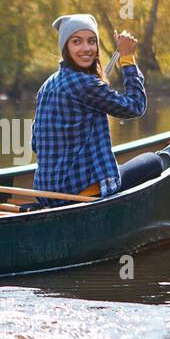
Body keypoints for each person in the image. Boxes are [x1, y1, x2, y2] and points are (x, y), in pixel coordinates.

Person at [30, 14, 155, 206]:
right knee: (154, 162)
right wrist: (128, 59)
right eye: (77, 42)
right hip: (80, 192)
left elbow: (36, 144)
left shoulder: (47, 85)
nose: (86, 48)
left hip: (47, 193)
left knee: (121, 166)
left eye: (91, 41)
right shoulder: (85, 84)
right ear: (65, 47)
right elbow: (135, 105)